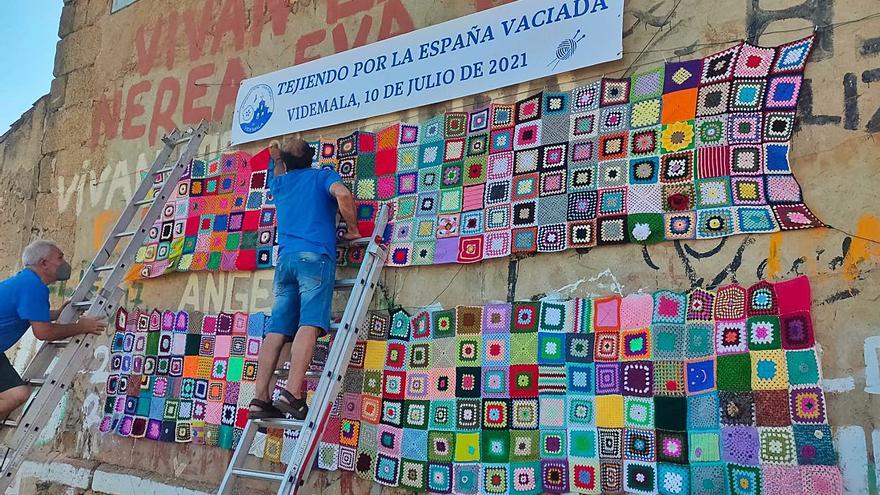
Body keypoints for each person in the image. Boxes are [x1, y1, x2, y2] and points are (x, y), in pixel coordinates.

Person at [249, 138, 360, 420]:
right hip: (313, 259)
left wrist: (275, 158)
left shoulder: (280, 183)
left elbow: (278, 168)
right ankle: (293, 393)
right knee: (309, 324)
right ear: (312, 157)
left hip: (285, 262)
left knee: (277, 330)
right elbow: (344, 195)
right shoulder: (322, 176)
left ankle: (260, 398)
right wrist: (353, 228)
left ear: (285, 163)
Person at [0, 240, 106, 418]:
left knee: (16, 394)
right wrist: (80, 327)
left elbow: (26, 312)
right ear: (44, 263)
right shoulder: (33, 286)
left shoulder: (25, 282)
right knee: (17, 394)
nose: (64, 261)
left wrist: (56, 314)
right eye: (60, 257)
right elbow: (44, 333)